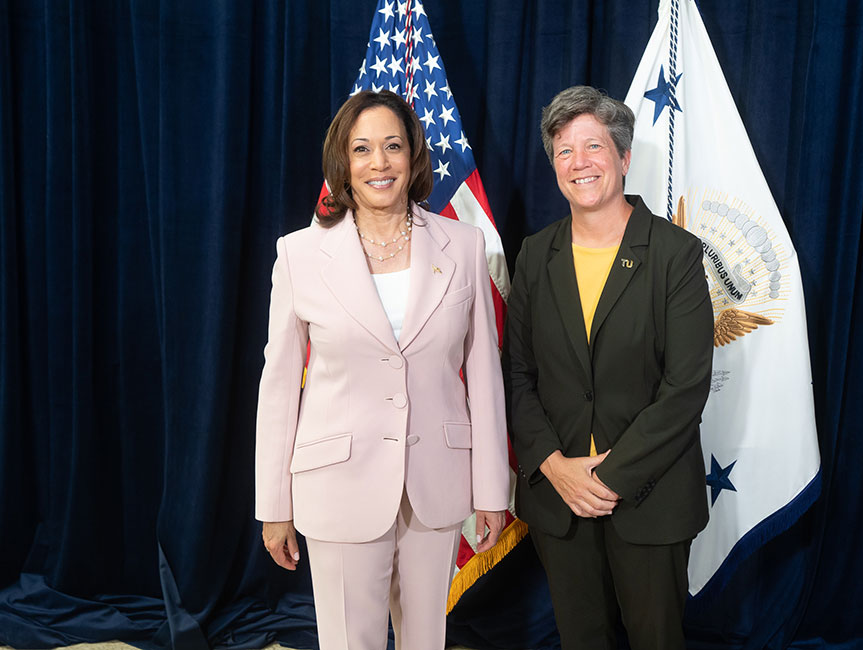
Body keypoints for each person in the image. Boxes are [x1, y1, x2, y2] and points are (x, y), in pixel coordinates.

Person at [255, 90, 510, 650]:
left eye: (393, 146)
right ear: (343, 163)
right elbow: (278, 389)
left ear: (413, 156)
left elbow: (484, 376)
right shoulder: (299, 255)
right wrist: (274, 507)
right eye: (363, 149)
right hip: (337, 484)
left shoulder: (464, 245)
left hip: (436, 487)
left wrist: (494, 488)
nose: (380, 162)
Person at [503, 85, 714, 649]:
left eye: (593, 146)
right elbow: (516, 375)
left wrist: (606, 477)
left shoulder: (676, 254)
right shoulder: (533, 255)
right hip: (559, 497)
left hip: (651, 495)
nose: (580, 163)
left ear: (623, 157)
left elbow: (686, 387)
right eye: (565, 151)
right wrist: (555, 467)